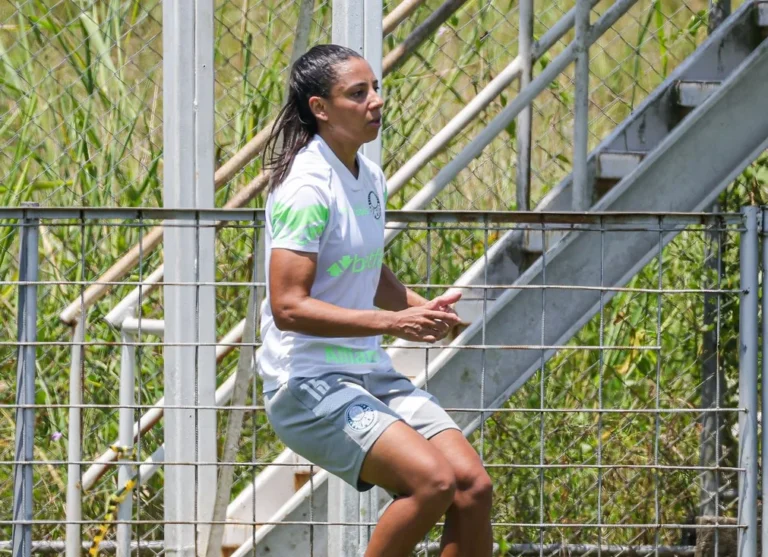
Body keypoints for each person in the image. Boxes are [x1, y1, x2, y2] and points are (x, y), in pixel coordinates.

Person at [259, 44, 493, 557]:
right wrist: (392, 324)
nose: (376, 102)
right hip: (306, 383)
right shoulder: (305, 187)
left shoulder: (369, 175)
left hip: (367, 371)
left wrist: (423, 309)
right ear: (321, 108)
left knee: (472, 487)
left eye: (376, 88)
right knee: (431, 482)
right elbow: (288, 307)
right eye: (358, 93)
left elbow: (367, 268)